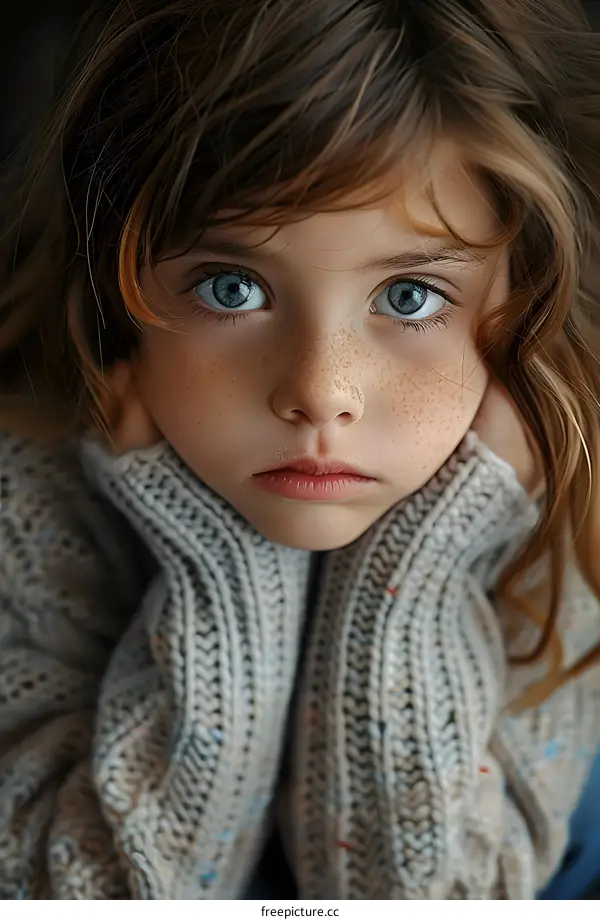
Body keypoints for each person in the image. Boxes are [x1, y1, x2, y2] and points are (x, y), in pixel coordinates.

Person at [0, 0, 599, 900]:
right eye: (233, 287)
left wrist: (415, 583)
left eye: (408, 297)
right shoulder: (26, 517)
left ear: (523, 306)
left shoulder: (557, 525)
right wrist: (225, 573)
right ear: (114, 298)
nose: (321, 391)